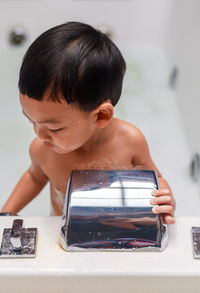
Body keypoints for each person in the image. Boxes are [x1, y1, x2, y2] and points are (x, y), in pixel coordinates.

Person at [1, 22, 176, 223]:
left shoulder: (129, 142)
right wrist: (6, 213)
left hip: (118, 231)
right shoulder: (43, 149)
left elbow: (156, 178)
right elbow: (35, 177)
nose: (40, 135)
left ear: (101, 116)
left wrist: (165, 200)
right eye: (31, 121)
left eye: (54, 128)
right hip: (63, 233)